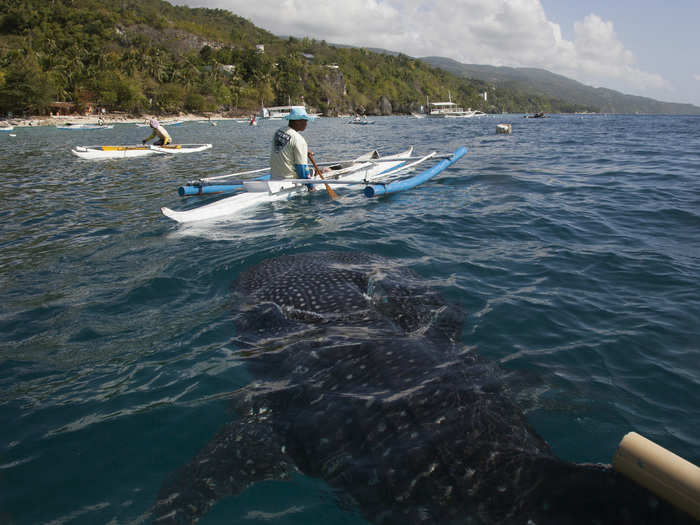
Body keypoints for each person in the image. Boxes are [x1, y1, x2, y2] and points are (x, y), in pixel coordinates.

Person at [270, 106, 326, 187]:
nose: (306, 124)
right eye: (305, 121)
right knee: (323, 171)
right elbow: (302, 169)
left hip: (274, 177)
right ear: (297, 121)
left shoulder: (278, 132)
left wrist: (304, 151)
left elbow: (284, 148)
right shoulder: (299, 140)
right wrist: (310, 187)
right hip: (289, 181)